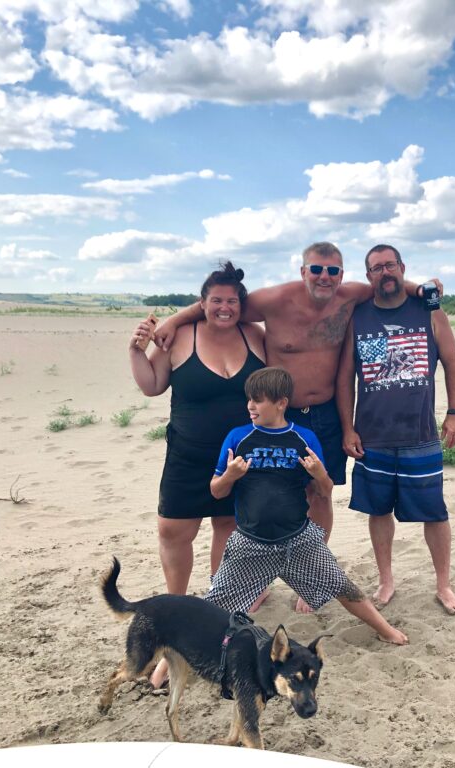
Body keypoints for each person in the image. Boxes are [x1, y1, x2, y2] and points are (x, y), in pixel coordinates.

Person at [154, 243, 440, 613]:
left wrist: (422, 289)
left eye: (333, 271)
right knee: (263, 493)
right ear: (303, 271)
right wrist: (175, 320)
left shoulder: (349, 294)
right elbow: (225, 304)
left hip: (325, 414)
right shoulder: (274, 300)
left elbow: (388, 281)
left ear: (342, 273)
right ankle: (254, 579)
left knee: (320, 495)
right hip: (280, 415)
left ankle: (310, 578)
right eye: (317, 270)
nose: (326, 277)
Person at [129, 262, 266, 687]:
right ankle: (173, 629)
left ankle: (216, 615)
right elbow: (152, 385)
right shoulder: (179, 336)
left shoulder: (255, 337)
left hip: (237, 459)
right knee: (174, 531)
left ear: (241, 305)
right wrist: (136, 351)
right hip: (186, 457)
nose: (224, 308)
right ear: (202, 303)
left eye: (232, 301)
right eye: (215, 300)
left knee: (227, 526)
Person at [205, 366, 408, 645]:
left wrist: (320, 473)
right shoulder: (238, 437)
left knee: (342, 585)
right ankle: (162, 672)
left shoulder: (304, 438)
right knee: (214, 604)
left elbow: (325, 492)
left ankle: (387, 631)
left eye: (258, 400)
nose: (250, 406)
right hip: (249, 541)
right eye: (249, 399)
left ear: (281, 403)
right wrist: (230, 476)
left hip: (299, 538)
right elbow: (216, 492)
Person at [336, 244, 455, 615]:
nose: (384, 273)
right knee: (379, 511)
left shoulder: (429, 310)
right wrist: (349, 427)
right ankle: (386, 579)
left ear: (402, 268)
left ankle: (443, 584)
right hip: (373, 435)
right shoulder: (358, 316)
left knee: (434, 512)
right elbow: (345, 379)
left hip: (420, 434)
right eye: (376, 268)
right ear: (368, 276)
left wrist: (454, 413)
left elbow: (453, 366)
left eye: (390, 265)